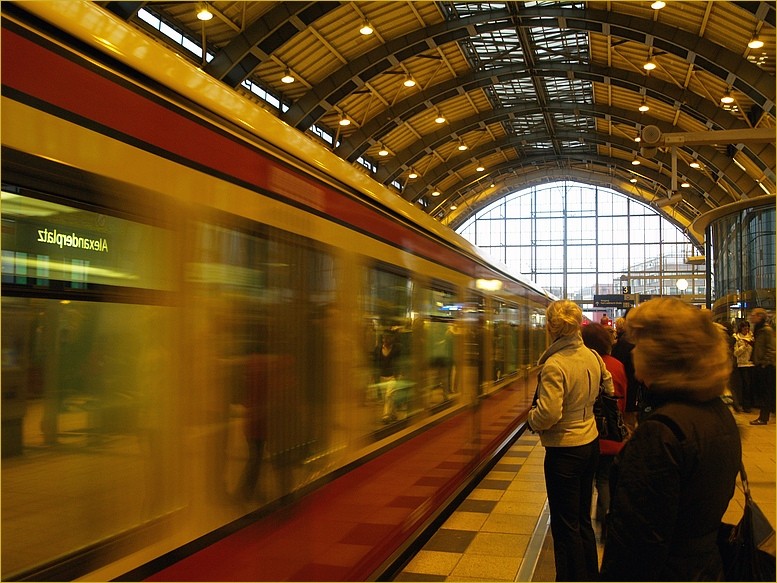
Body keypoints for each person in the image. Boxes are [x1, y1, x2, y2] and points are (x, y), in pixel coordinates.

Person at [600, 298, 741, 581]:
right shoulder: (717, 414)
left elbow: (638, 545)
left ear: (660, 354)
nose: (635, 351)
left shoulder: (662, 432)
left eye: (640, 344)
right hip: (704, 567)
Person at [528, 300, 612, 581]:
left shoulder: (556, 364)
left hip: (565, 450)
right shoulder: (592, 356)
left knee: (565, 528)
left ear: (551, 328)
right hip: (590, 443)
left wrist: (532, 419)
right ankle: (589, 574)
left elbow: (550, 413)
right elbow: (608, 386)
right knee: (581, 520)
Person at [581, 323, 628, 540]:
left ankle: (585, 525)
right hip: (613, 435)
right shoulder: (617, 365)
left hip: (588, 435)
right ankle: (607, 523)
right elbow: (623, 400)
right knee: (605, 480)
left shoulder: (583, 364)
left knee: (586, 482)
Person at [611, 316, 642, 430]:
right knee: (629, 422)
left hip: (621, 389)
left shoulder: (617, 345)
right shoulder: (631, 344)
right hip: (631, 390)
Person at [749, 308, 776, 425]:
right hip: (761, 364)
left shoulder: (766, 330)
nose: (751, 317)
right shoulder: (759, 330)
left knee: (766, 393)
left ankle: (763, 417)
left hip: (766, 366)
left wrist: (764, 363)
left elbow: (771, 349)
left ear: (760, 316)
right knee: (767, 392)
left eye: (753, 315)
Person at [374, 330, 403, 423]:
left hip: (393, 376)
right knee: (387, 397)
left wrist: (400, 373)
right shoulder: (378, 349)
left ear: (392, 339)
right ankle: (394, 414)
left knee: (388, 395)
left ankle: (386, 416)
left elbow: (401, 361)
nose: (386, 340)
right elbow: (375, 362)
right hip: (382, 376)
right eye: (384, 338)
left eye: (388, 338)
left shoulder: (397, 349)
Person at [733, 320, 755, 413]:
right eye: (744, 328)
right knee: (746, 385)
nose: (746, 330)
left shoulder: (752, 336)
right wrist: (744, 346)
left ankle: (751, 404)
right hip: (742, 364)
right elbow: (736, 353)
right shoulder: (737, 338)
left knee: (751, 385)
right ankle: (746, 405)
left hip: (752, 363)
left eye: (747, 328)